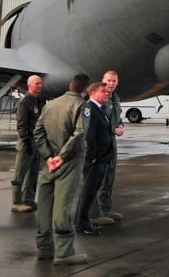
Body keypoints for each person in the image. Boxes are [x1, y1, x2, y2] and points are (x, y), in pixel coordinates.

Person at [34, 73, 90, 266]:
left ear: (69, 85)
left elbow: (38, 132)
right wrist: (62, 156)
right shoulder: (82, 105)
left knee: (44, 205)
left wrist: (48, 156)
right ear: (85, 90)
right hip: (69, 162)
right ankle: (64, 252)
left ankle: (44, 248)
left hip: (48, 164)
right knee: (62, 206)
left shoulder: (50, 105)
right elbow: (80, 133)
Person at [76, 82, 114, 236]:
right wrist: (93, 157)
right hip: (96, 160)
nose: (107, 93)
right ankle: (82, 222)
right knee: (88, 191)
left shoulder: (100, 109)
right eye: (103, 91)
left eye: (107, 91)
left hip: (102, 158)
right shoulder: (90, 109)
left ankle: (83, 220)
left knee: (91, 191)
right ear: (92, 93)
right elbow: (89, 135)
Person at [90, 69, 124, 225]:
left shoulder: (115, 98)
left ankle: (105, 209)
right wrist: (114, 130)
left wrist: (121, 125)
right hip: (100, 142)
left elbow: (116, 117)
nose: (111, 84)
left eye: (114, 81)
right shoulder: (99, 98)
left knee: (109, 175)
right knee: (97, 177)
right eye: (108, 80)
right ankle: (94, 213)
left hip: (111, 142)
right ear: (102, 80)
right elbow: (96, 123)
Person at [11, 75, 45, 213]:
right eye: (37, 83)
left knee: (34, 173)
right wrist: (26, 141)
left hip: (37, 142)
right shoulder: (24, 102)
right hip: (26, 142)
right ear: (30, 85)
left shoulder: (39, 101)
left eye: (41, 83)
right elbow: (21, 125)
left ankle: (29, 199)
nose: (40, 86)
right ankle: (16, 201)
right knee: (20, 173)